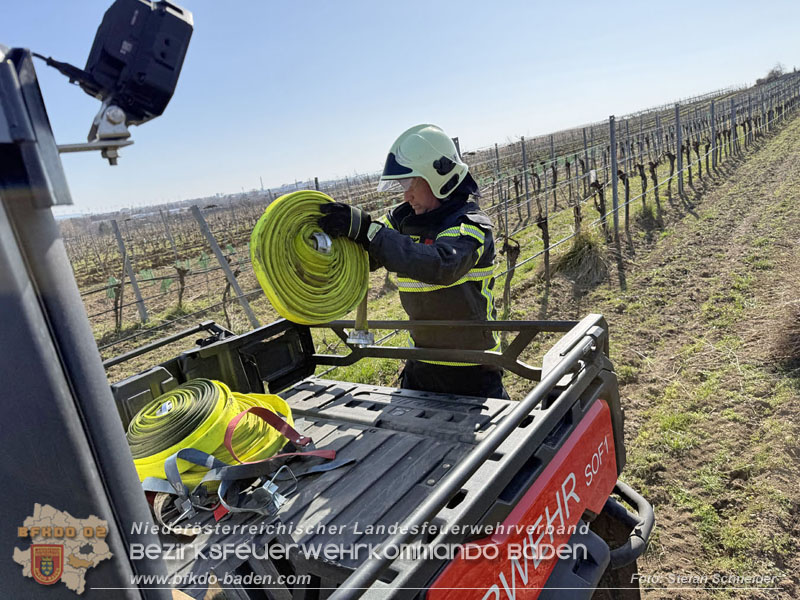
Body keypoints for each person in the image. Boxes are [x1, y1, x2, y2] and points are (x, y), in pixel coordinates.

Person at [318, 124, 508, 399]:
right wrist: (330, 246)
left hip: (474, 368)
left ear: (438, 177)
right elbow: (368, 252)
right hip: (421, 364)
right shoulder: (404, 218)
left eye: (410, 185)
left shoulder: (471, 226)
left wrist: (369, 233)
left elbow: (442, 265)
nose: (406, 196)